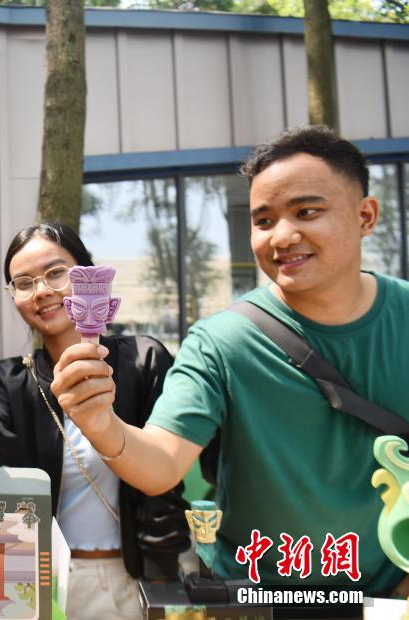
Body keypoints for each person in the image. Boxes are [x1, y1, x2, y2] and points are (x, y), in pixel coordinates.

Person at [51, 125, 409, 594]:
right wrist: (101, 423)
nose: (282, 236)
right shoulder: (220, 341)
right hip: (257, 599)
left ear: (365, 216)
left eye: (306, 212)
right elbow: (161, 465)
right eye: (264, 221)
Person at [0, 221, 189, 619]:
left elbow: (163, 480)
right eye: (24, 283)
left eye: (55, 273)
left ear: (88, 275)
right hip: (43, 582)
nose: (42, 291)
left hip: (133, 579)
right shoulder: (8, 378)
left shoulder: (142, 360)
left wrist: (162, 580)